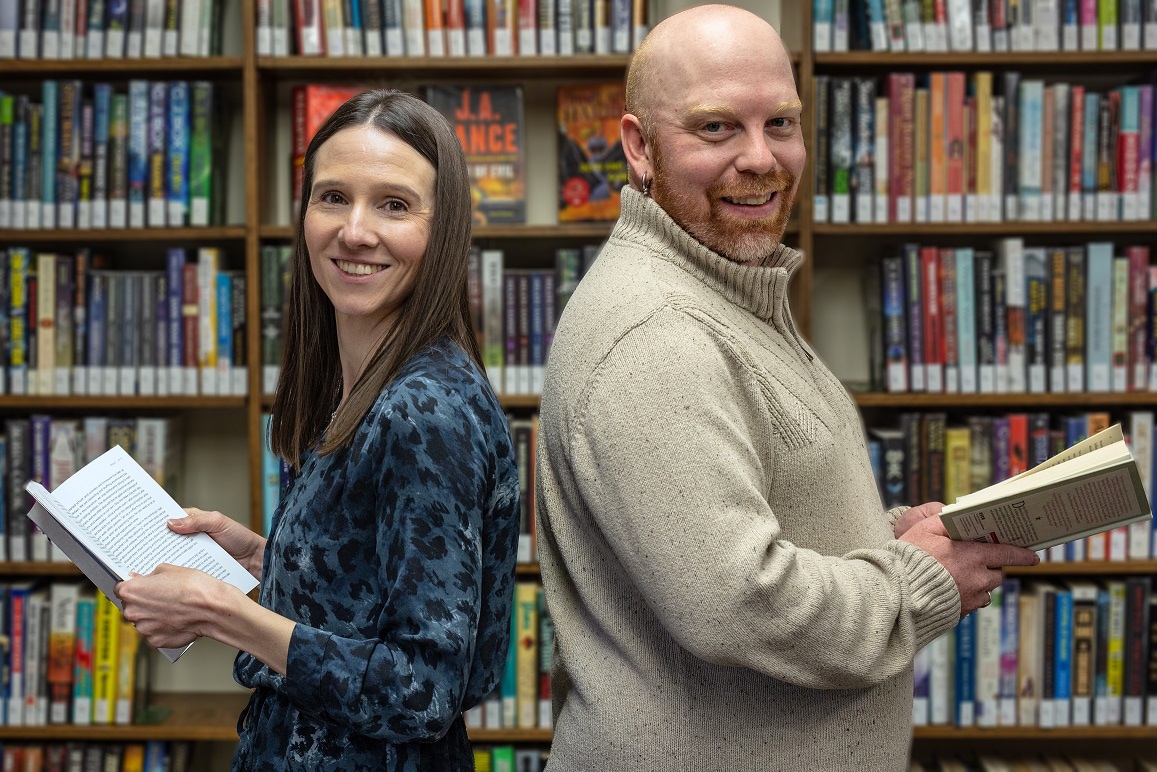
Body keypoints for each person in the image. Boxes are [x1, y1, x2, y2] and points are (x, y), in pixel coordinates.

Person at [534, 7, 1041, 770]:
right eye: (715, 129)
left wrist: (888, 536)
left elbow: (743, 514)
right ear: (639, 147)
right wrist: (919, 580)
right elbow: (736, 604)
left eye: (779, 123)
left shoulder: (727, 291)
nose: (760, 158)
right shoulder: (655, 333)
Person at [116, 89, 520, 771]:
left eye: (393, 205)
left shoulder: (425, 410)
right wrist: (264, 558)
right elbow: (382, 588)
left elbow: (424, 691)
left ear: (443, 227)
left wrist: (224, 613)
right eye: (332, 197)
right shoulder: (339, 385)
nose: (354, 231)